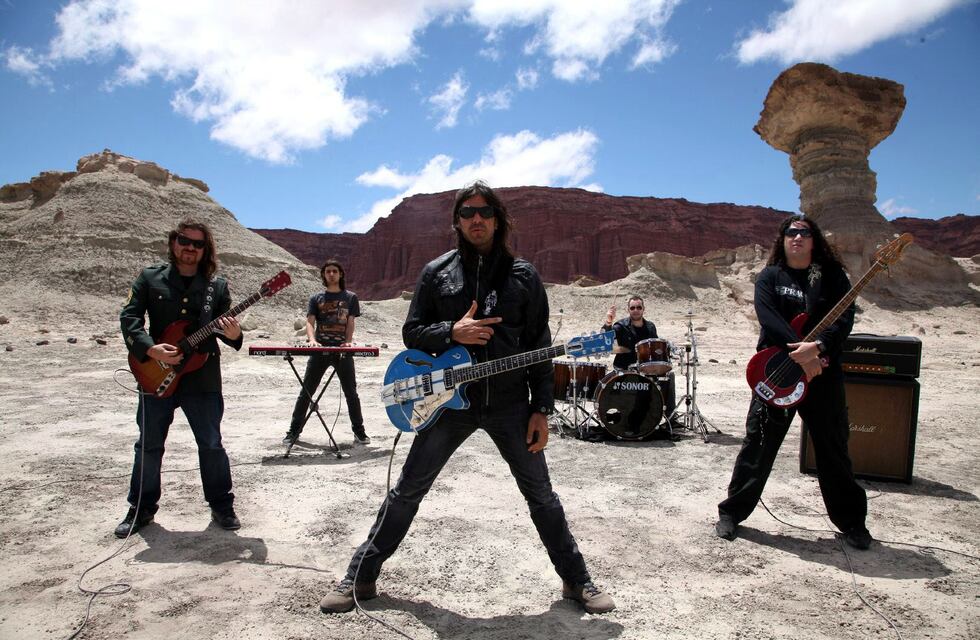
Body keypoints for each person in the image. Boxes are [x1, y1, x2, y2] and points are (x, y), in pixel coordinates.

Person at [319, 180, 615, 615]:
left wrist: (541, 408)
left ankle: (577, 581)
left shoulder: (524, 276)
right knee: (407, 491)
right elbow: (411, 332)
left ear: (498, 219)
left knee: (542, 496)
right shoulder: (436, 273)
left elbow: (539, 342)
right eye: (467, 212)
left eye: (485, 212)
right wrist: (450, 332)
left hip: (512, 402)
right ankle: (360, 577)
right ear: (457, 221)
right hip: (447, 402)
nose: (477, 219)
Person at [715, 215, 871, 550]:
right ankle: (731, 513)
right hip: (778, 371)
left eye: (804, 232)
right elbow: (768, 318)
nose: (796, 237)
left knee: (833, 449)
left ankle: (852, 523)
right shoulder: (770, 276)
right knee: (758, 444)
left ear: (814, 240)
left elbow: (844, 319)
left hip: (822, 373)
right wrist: (802, 352)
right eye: (790, 232)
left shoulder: (832, 277)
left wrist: (819, 348)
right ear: (782, 239)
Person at [115, 218, 243, 537]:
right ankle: (141, 508)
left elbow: (226, 334)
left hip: (202, 379)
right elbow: (129, 317)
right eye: (184, 241)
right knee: (148, 444)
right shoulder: (149, 278)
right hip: (156, 373)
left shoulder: (218, 287)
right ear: (174, 242)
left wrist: (235, 332)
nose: (190, 248)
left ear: (205, 249)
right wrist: (150, 349)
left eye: (198, 244)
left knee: (211, 444)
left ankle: (221, 505)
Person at [284, 259, 368, 445]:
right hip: (319, 350)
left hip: (343, 352)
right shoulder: (316, 298)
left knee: (351, 393)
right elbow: (310, 321)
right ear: (323, 275)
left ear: (340, 274)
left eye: (334, 271)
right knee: (306, 392)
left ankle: (360, 432)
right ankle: (293, 432)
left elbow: (350, 322)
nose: (331, 274)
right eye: (328, 271)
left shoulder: (351, 298)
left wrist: (347, 342)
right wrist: (312, 340)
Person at [602, 296, 677, 427]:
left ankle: (670, 417)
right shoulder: (620, 326)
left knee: (669, 375)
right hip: (624, 368)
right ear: (628, 310)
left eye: (638, 307)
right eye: (632, 308)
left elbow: (655, 350)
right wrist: (608, 322)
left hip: (646, 369)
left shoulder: (650, 327)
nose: (635, 310)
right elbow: (604, 340)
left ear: (643, 309)